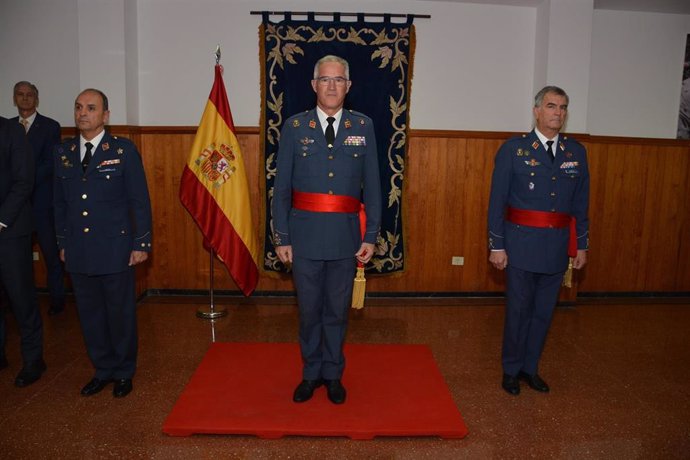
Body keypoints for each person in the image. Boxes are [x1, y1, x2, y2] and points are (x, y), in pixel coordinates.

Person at [272, 55, 382, 404]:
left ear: (348, 86)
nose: (332, 86)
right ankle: (310, 373)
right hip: (303, 237)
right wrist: (282, 238)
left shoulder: (363, 127)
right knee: (308, 312)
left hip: (345, 238)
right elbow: (282, 188)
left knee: (336, 311)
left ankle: (333, 373)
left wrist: (371, 235)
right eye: (325, 79)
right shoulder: (294, 127)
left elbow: (374, 187)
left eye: (338, 80)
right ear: (313, 85)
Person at [487, 85, 589, 396]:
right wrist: (497, 245)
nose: (558, 112)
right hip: (520, 245)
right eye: (551, 106)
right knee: (518, 310)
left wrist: (581, 244)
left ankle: (530, 369)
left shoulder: (576, 152)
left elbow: (581, 202)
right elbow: (497, 202)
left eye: (563, 107)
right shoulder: (514, 150)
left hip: (557, 247)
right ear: (537, 111)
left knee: (544, 312)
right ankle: (510, 370)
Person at [53, 89, 152, 398]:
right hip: (79, 249)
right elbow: (59, 204)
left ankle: (124, 371)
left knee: (119, 312)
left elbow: (139, 201)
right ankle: (103, 368)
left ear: (105, 115)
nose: (83, 113)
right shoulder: (64, 153)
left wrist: (142, 243)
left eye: (91, 108)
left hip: (115, 248)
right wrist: (62, 242)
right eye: (79, 107)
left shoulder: (122, 151)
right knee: (90, 313)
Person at [0, 113, 46, 387]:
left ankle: (33, 360)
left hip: (10, 230)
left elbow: (23, 182)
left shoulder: (11, 131)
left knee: (21, 297)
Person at [12, 81, 66, 315]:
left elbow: (50, 164)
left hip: (42, 203)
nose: (25, 98)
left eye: (30, 95)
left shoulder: (50, 127)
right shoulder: (8, 128)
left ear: (37, 99)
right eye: (20, 95)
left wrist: (23, 182)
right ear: (15, 98)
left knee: (51, 256)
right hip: (14, 206)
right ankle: (19, 304)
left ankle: (57, 303)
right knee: (16, 259)